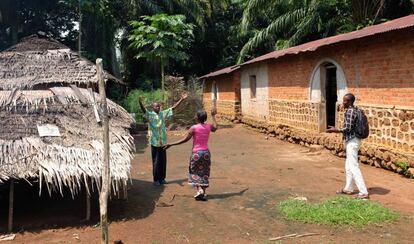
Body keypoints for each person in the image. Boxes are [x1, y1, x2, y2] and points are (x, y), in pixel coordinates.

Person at [164, 108, 218, 200]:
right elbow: (215, 127)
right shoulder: (208, 126)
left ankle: (200, 190)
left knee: (194, 171)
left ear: (197, 117)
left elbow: (184, 139)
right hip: (206, 153)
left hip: (196, 153)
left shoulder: (194, 128)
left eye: (195, 115)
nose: (194, 116)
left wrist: (171, 144)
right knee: (204, 171)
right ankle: (203, 193)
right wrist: (213, 116)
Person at [139, 93, 188, 186]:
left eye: (158, 106)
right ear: (152, 108)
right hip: (155, 142)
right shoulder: (150, 115)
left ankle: (162, 178)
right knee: (156, 161)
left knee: (163, 161)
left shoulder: (163, 114)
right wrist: (140, 102)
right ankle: (156, 179)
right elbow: (143, 110)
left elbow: (173, 108)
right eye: (155, 106)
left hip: (163, 142)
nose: (157, 108)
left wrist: (181, 99)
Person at [327, 93, 369, 199]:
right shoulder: (355, 110)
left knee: (354, 166)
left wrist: (336, 130)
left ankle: (363, 192)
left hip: (352, 141)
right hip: (353, 141)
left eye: (345, 101)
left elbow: (348, 128)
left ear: (349, 102)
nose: (343, 102)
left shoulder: (350, 111)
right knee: (348, 166)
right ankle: (348, 188)